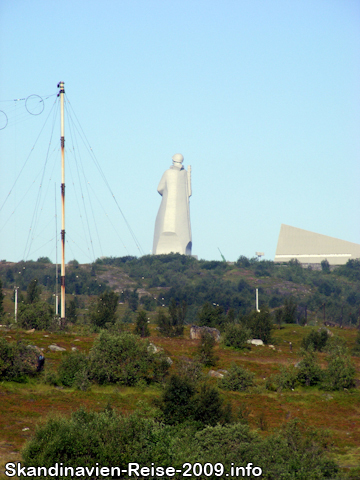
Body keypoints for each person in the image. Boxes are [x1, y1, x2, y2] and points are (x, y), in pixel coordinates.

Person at [153, 154, 192, 255]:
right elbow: (189, 193)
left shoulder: (168, 173)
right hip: (182, 212)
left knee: (163, 228)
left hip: (166, 208)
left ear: (172, 160)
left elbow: (159, 188)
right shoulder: (185, 174)